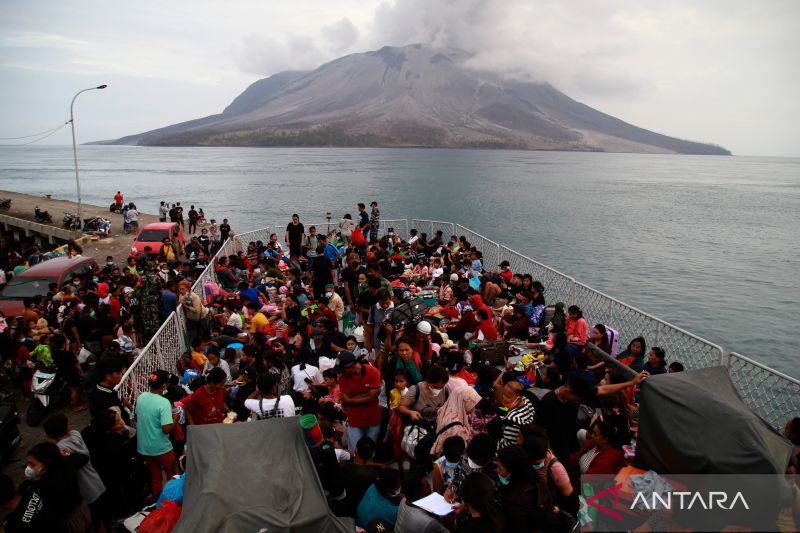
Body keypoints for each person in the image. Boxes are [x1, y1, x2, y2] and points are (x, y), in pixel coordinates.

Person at [43, 413, 108, 530]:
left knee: (95, 521)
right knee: (101, 516)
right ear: (67, 427)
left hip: (86, 490)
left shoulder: (60, 448)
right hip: (95, 481)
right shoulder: (75, 434)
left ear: (48, 435)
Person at [22, 442, 93, 532]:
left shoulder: (47, 485)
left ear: (46, 464)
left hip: (70, 519)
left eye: (32, 464)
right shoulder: (65, 466)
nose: (28, 468)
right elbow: (84, 458)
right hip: (83, 509)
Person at [135, 370, 175, 501]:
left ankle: (157, 500)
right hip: (161, 447)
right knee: (172, 473)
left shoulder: (141, 397)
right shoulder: (163, 403)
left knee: (155, 476)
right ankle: (171, 501)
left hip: (144, 447)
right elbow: (166, 429)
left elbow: (136, 417)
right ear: (164, 385)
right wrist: (176, 417)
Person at [338, 352, 383, 451]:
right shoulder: (342, 378)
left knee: (369, 451)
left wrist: (350, 400)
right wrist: (368, 394)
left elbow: (372, 396)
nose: (340, 373)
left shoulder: (373, 372)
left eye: (342, 370)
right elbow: (371, 395)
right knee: (355, 451)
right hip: (355, 420)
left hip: (373, 419)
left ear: (352, 367)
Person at [496, 445, 543, 530]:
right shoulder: (534, 478)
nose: (496, 470)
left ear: (512, 472)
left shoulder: (518, 501)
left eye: (500, 468)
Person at [431, 386, 480, 456]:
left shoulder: (446, 409)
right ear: (464, 402)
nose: (474, 408)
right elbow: (460, 450)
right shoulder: (456, 427)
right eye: (473, 404)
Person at [496, 380, 536, 449]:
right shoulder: (526, 400)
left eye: (508, 397)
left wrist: (496, 444)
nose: (504, 398)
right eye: (503, 394)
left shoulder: (511, 419)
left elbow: (510, 443)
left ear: (518, 398)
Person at [89, 356, 130, 425]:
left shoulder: (98, 388)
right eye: (118, 373)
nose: (121, 375)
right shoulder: (106, 398)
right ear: (108, 376)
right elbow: (118, 424)